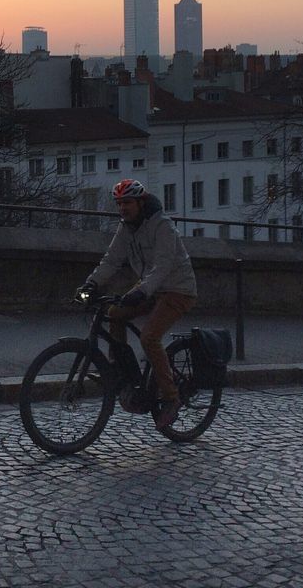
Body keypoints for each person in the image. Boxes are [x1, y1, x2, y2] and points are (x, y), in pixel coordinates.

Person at [76, 178, 197, 429]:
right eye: (119, 204)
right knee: (114, 313)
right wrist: (91, 284)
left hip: (178, 289)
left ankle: (172, 399)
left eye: (128, 203)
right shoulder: (126, 228)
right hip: (151, 288)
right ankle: (119, 368)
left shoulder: (162, 226)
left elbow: (162, 267)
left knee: (149, 337)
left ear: (141, 202)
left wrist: (141, 292)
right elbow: (111, 260)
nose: (123, 208)